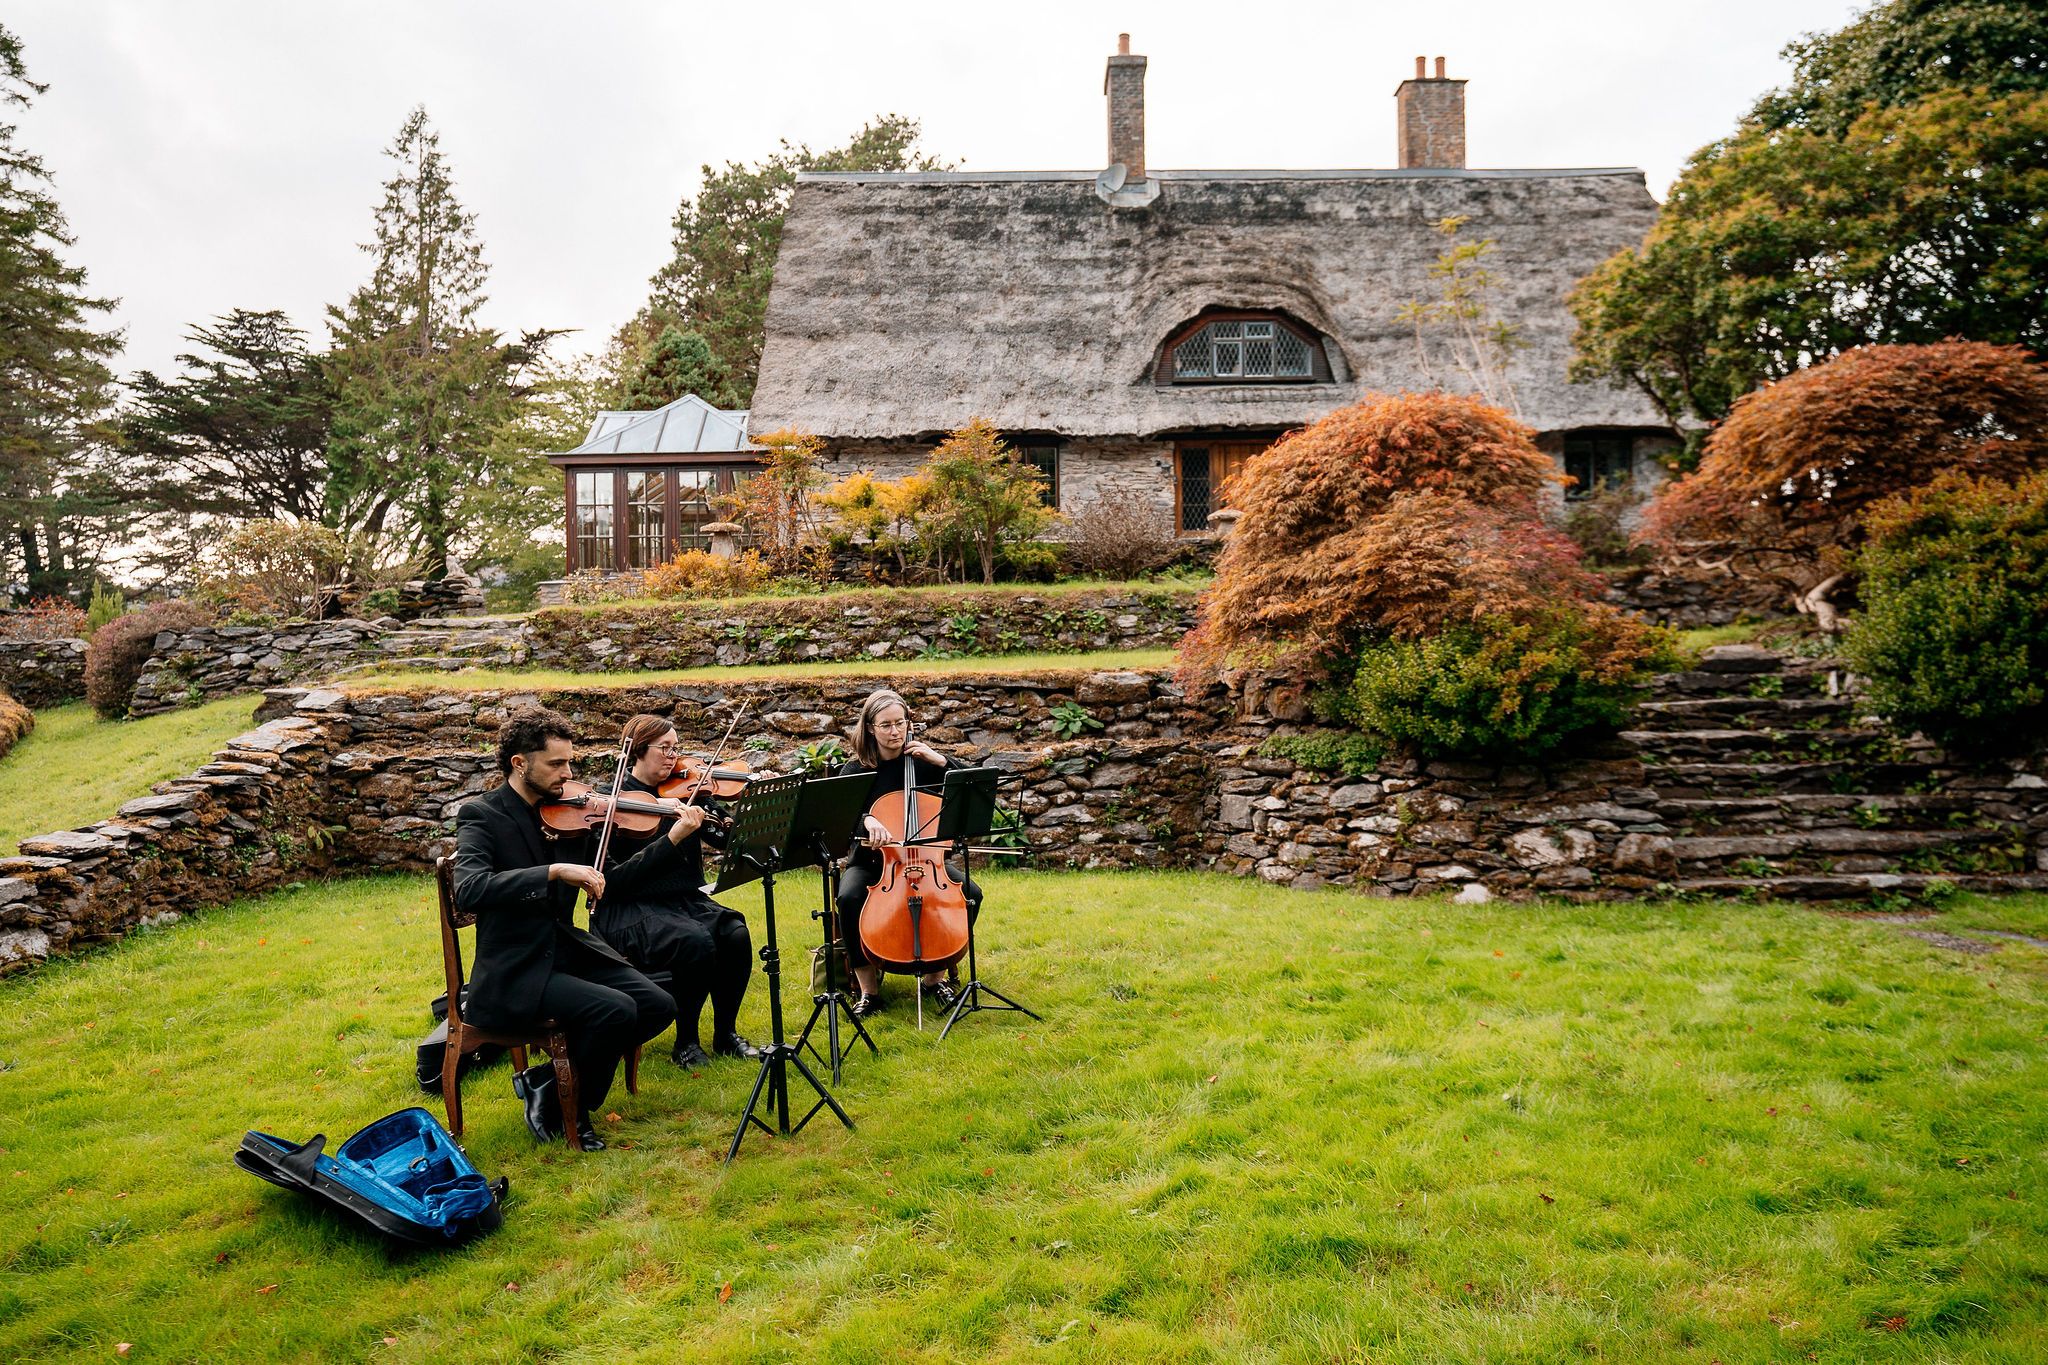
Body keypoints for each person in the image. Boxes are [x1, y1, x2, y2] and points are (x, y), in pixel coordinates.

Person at [453, 707, 678, 1152]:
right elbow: (471, 889)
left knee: (657, 1004)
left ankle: (550, 1082)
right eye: (557, 764)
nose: (568, 773)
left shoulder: (570, 815)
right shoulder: (482, 815)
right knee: (614, 1011)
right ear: (520, 764)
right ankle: (568, 1108)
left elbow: (618, 877)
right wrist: (552, 871)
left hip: (564, 947)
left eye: (570, 762)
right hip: (515, 966)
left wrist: (670, 838)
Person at [594, 714, 759, 1069]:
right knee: (694, 942)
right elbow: (616, 882)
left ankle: (725, 1034)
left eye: (676, 748)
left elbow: (727, 839)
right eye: (664, 748)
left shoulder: (685, 790)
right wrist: (674, 837)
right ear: (638, 751)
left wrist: (729, 819)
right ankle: (686, 1042)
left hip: (681, 900)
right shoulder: (611, 802)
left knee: (735, 932)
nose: (673, 757)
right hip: (627, 908)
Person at [834, 687, 981, 1018]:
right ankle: (869, 991)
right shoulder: (855, 770)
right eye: (885, 725)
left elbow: (969, 785)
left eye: (900, 723)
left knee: (971, 893)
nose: (895, 731)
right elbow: (840, 818)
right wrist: (866, 821)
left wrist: (941, 760)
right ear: (870, 727)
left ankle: (934, 978)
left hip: (927, 865)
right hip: (875, 865)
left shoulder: (923, 762)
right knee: (849, 898)